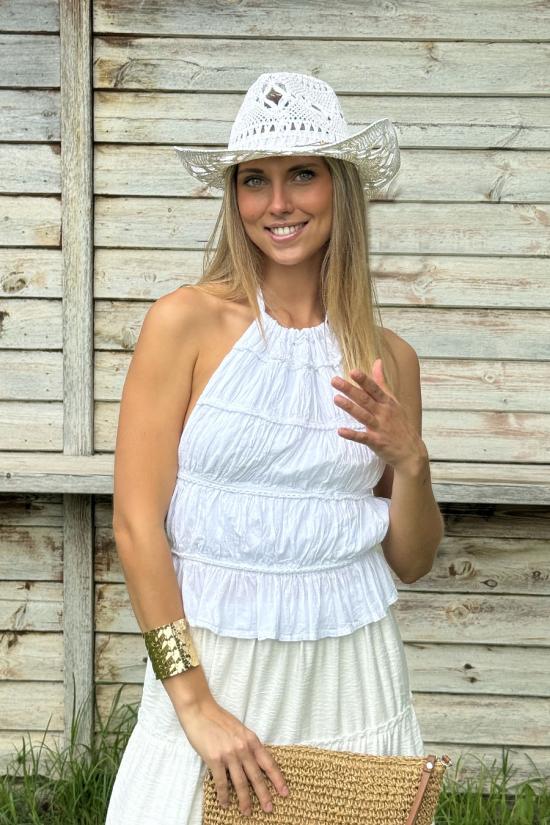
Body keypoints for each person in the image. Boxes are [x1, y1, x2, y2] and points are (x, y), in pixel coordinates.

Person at [105, 71, 444, 825]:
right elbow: (135, 525)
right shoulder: (184, 323)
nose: (278, 203)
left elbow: (411, 560)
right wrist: (193, 703)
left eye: (302, 175)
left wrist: (411, 462)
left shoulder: (389, 357)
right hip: (215, 670)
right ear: (235, 199)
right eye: (254, 180)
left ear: (340, 189)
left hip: (350, 674)